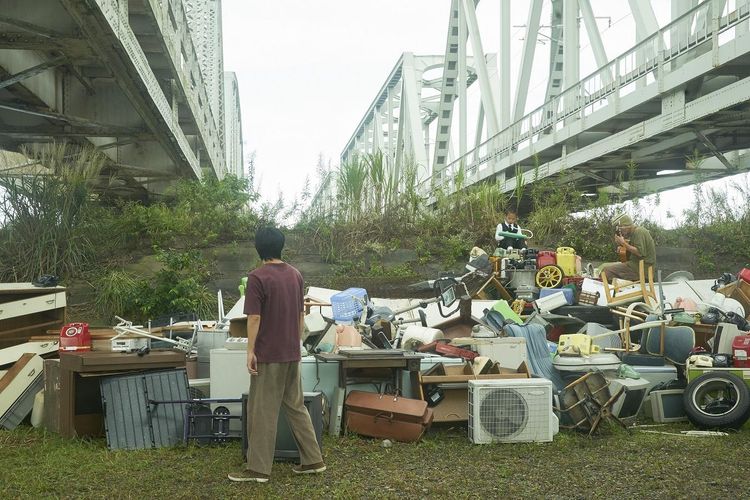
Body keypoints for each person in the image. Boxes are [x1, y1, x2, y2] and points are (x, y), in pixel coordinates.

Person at [228, 227, 325, 483]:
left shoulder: (257, 277)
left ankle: (258, 470)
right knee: (296, 406)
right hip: (292, 352)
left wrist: (250, 350)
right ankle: (313, 460)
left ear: (259, 249)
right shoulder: (295, 275)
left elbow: (255, 317)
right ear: (281, 247)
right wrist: (296, 344)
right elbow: (300, 316)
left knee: (262, 410)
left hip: (268, 354)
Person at [596, 214, 656, 281]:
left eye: (620, 230)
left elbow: (640, 252)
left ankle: (607, 290)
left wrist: (623, 243)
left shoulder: (639, 232)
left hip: (641, 269)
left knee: (606, 271)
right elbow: (632, 248)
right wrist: (621, 246)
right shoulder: (634, 233)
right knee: (603, 266)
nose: (621, 233)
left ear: (626, 226)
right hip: (635, 265)